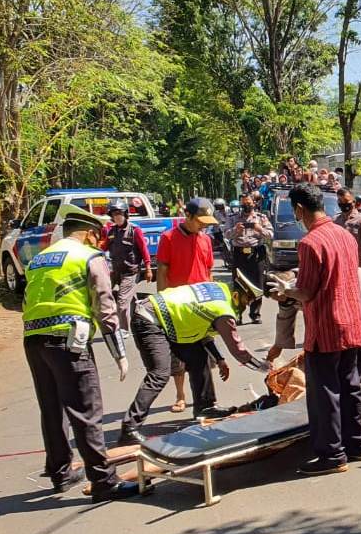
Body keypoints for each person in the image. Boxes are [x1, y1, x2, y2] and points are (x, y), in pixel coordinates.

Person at [21, 204, 139, 500]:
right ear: (88, 234)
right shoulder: (89, 257)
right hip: (69, 340)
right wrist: (119, 352)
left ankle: (60, 473)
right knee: (86, 410)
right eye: (98, 237)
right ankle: (103, 481)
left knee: (52, 408)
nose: (100, 243)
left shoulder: (40, 259)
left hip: (34, 338)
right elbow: (105, 305)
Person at [271, 186, 361, 477]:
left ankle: (332, 454)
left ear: (299, 209)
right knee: (350, 385)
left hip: (326, 326)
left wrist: (286, 290)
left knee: (324, 393)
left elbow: (308, 291)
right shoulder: (344, 235)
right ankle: (358, 445)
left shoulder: (311, 243)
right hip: (351, 321)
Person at [117, 280, 270, 445]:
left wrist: (219, 359)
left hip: (166, 319)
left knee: (198, 357)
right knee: (159, 374)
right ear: (236, 295)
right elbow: (238, 351)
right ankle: (129, 429)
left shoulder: (219, 288)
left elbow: (200, 330)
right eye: (246, 302)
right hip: (149, 320)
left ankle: (205, 407)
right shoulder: (223, 310)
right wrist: (263, 368)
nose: (246, 307)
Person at [270, 266, 361, 384]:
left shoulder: (311, 283)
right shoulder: (286, 295)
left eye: (284, 297)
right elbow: (285, 317)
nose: (284, 302)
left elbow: (333, 321)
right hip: (343, 300)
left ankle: (360, 386)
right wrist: (278, 346)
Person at [157, 197, 218, 413]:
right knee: (179, 357)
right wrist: (163, 305)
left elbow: (208, 272)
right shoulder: (169, 238)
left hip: (201, 304)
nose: (203, 225)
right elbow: (162, 272)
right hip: (176, 306)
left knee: (204, 356)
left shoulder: (206, 240)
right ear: (188, 216)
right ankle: (180, 395)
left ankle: (205, 401)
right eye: (200, 220)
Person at [102, 201, 153, 332]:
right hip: (115, 271)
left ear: (125, 214)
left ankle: (124, 330)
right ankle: (139, 315)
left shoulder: (135, 231)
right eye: (114, 214)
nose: (117, 216)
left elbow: (144, 250)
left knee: (122, 303)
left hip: (130, 272)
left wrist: (148, 269)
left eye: (119, 213)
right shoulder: (111, 231)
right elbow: (103, 247)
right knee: (103, 293)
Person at [229, 196, 273, 324]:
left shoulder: (261, 218)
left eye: (249, 203)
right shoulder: (233, 218)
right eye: (244, 204)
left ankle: (255, 314)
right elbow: (225, 234)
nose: (246, 206)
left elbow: (271, 235)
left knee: (257, 284)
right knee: (238, 285)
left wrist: (259, 229)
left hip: (256, 254)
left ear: (254, 203)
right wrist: (235, 230)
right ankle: (238, 314)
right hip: (239, 254)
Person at [334, 188, 361, 270]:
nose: (343, 203)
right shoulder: (335, 220)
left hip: (358, 266)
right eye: (340, 201)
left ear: (353, 202)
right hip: (340, 266)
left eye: (346, 201)